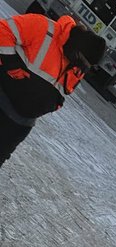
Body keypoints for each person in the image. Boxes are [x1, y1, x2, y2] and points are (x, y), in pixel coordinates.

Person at [0, 11, 105, 166]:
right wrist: (12, 66)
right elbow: (3, 30)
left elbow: (65, 90)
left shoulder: (78, 63)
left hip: (21, 123)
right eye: (80, 60)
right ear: (77, 46)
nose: (80, 66)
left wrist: (53, 103)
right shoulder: (43, 27)